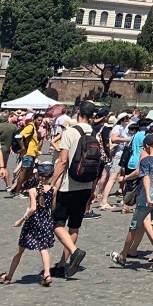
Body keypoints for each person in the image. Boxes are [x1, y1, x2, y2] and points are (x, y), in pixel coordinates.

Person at [109, 131, 153, 271]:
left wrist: (149, 197)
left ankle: (123, 256)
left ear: (147, 146)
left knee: (133, 227)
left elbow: (145, 178)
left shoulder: (146, 161)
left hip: (146, 200)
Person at [50, 100, 98, 279]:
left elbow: (62, 160)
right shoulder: (94, 132)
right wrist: (93, 189)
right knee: (74, 226)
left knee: (57, 223)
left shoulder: (70, 132)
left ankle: (74, 252)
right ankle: (64, 265)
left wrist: (52, 183)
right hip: (85, 184)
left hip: (68, 185)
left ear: (78, 113)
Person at [2, 161, 55, 286]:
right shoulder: (53, 189)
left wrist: (21, 220)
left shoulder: (33, 190)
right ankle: (47, 274)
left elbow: (32, 208)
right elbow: (52, 207)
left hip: (33, 222)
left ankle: (9, 276)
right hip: (46, 221)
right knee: (43, 248)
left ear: (38, 175)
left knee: (19, 250)